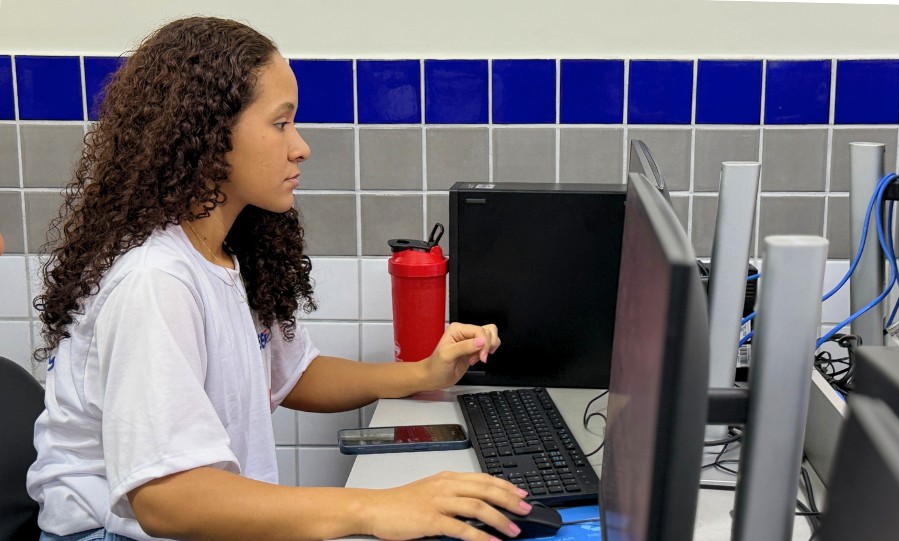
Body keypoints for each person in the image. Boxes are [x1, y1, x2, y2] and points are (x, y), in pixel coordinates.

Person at [27, 17, 529, 541]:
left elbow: (295, 374)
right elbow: (166, 500)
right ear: (208, 133)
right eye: (280, 123)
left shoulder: (224, 251)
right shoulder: (156, 280)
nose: (301, 146)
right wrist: (372, 508)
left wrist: (424, 373)